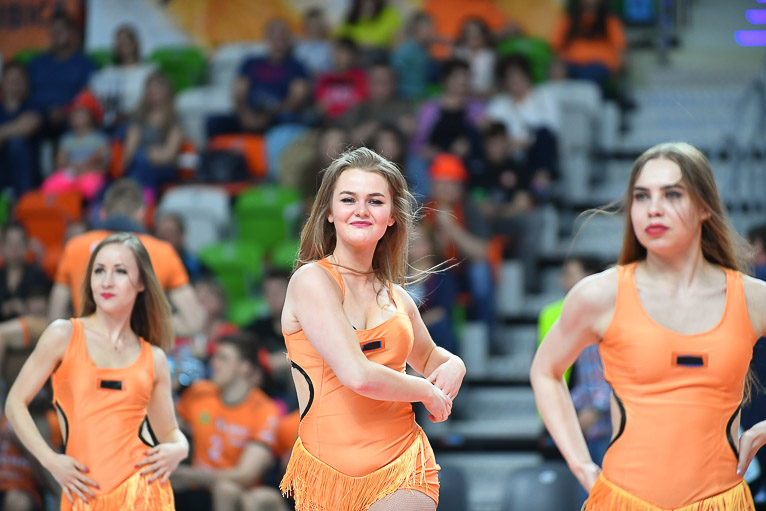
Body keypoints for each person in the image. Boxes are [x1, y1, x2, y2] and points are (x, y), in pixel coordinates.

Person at [530, 142, 766, 510]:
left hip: (722, 502)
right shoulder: (599, 294)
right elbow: (545, 372)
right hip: (624, 501)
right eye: (642, 196)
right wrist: (582, 466)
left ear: (705, 207)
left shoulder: (753, 298)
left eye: (672, 194)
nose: (653, 208)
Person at [279, 147, 466, 510]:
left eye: (375, 201)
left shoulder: (399, 299)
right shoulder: (311, 281)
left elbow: (430, 357)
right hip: (324, 478)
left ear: (392, 216)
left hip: (404, 465)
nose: (361, 210)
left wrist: (455, 364)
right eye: (348, 199)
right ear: (329, 212)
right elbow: (358, 375)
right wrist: (426, 391)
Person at [4, 232, 189, 509]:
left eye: (120, 271)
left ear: (141, 283)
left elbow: (169, 431)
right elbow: (15, 404)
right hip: (84, 496)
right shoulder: (63, 335)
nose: (107, 281)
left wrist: (179, 448)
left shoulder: (155, 358)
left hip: (145, 494)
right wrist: (51, 460)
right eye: (99, 270)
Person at [172, 334, 288, 511]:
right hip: (195, 489)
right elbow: (167, 428)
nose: (214, 363)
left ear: (244, 367)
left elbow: (247, 474)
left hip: (237, 494)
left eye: (223, 358)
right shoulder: (199, 392)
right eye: (215, 357)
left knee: (226, 490)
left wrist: (189, 475)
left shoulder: (264, 410)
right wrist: (167, 385)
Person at [536, 256, 610, 505]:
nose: (564, 281)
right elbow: (580, 379)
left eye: (570, 274)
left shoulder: (609, 317)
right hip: (584, 422)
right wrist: (568, 410)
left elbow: (613, 377)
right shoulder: (572, 317)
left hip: (607, 424)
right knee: (587, 494)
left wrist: (594, 409)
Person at [206, 19, 310, 138]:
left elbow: (298, 97)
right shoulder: (251, 62)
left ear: (289, 38)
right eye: (273, 33)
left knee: (289, 119)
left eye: (282, 33)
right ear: (266, 37)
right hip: (248, 115)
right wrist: (245, 115)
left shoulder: (297, 66)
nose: (278, 37)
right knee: (213, 122)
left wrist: (268, 117)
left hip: (278, 117)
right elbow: (238, 91)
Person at [26, 11, 97, 139]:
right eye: (53, 31)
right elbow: (23, 93)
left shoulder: (85, 64)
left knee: (80, 119)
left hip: (71, 117)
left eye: (61, 30)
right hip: (37, 116)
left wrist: (65, 110)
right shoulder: (36, 63)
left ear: (71, 33)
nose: (56, 34)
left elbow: (88, 96)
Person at [122, 72, 185, 202]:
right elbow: (129, 153)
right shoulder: (138, 118)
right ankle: (144, 198)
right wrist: (148, 154)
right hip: (139, 164)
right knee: (139, 162)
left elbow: (170, 154)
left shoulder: (173, 120)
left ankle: (141, 200)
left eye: (157, 89)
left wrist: (148, 155)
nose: (153, 93)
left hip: (163, 168)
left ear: (167, 91)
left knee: (142, 161)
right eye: (150, 90)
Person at [41, 90, 109, 202]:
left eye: (82, 113)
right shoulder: (66, 139)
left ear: (91, 115)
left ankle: (87, 210)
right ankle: (57, 209)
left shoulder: (100, 139)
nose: (77, 117)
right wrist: (71, 166)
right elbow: (60, 161)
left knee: (92, 187)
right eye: (75, 113)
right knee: (49, 185)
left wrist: (88, 168)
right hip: (70, 172)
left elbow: (104, 163)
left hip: (91, 174)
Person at [89, 24, 158, 131]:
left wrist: (129, 115)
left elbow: (154, 99)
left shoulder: (150, 71)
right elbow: (94, 96)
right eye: (119, 42)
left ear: (135, 43)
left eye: (126, 41)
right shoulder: (108, 71)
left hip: (139, 121)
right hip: (109, 122)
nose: (123, 45)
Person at [550, 0, 626, 91]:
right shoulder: (568, 19)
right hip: (571, 66)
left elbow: (620, 50)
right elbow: (556, 48)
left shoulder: (610, 21)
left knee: (589, 80)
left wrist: (619, 69)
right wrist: (558, 66)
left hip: (599, 68)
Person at [0, 61, 42, 198]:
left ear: (26, 83)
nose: (15, 82)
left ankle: (22, 201)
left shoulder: (34, 104)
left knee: (16, 143)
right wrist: (15, 128)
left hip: (27, 175)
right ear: (2, 82)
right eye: (10, 78)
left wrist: (2, 133)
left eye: (19, 78)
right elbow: (22, 126)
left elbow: (28, 126)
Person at [0, 223, 50, 323]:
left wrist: (23, 308)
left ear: (26, 246)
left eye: (19, 243)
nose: (14, 249)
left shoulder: (37, 275)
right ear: (2, 246)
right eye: (10, 244)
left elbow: (41, 315)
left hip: (29, 328)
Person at [315, 38, 369, 120]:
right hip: (327, 120)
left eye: (343, 53)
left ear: (353, 56)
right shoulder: (324, 78)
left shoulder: (360, 77)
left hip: (351, 121)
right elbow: (321, 105)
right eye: (336, 51)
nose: (338, 56)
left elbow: (359, 104)